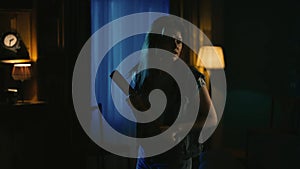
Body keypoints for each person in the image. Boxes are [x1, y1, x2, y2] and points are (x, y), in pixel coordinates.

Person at [128, 16, 217, 169]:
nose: (175, 45)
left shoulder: (190, 76)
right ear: (156, 41)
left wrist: (177, 128)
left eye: (179, 41)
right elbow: (142, 117)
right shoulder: (142, 74)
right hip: (145, 156)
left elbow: (211, 118)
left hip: (174, 158)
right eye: (170, 39)